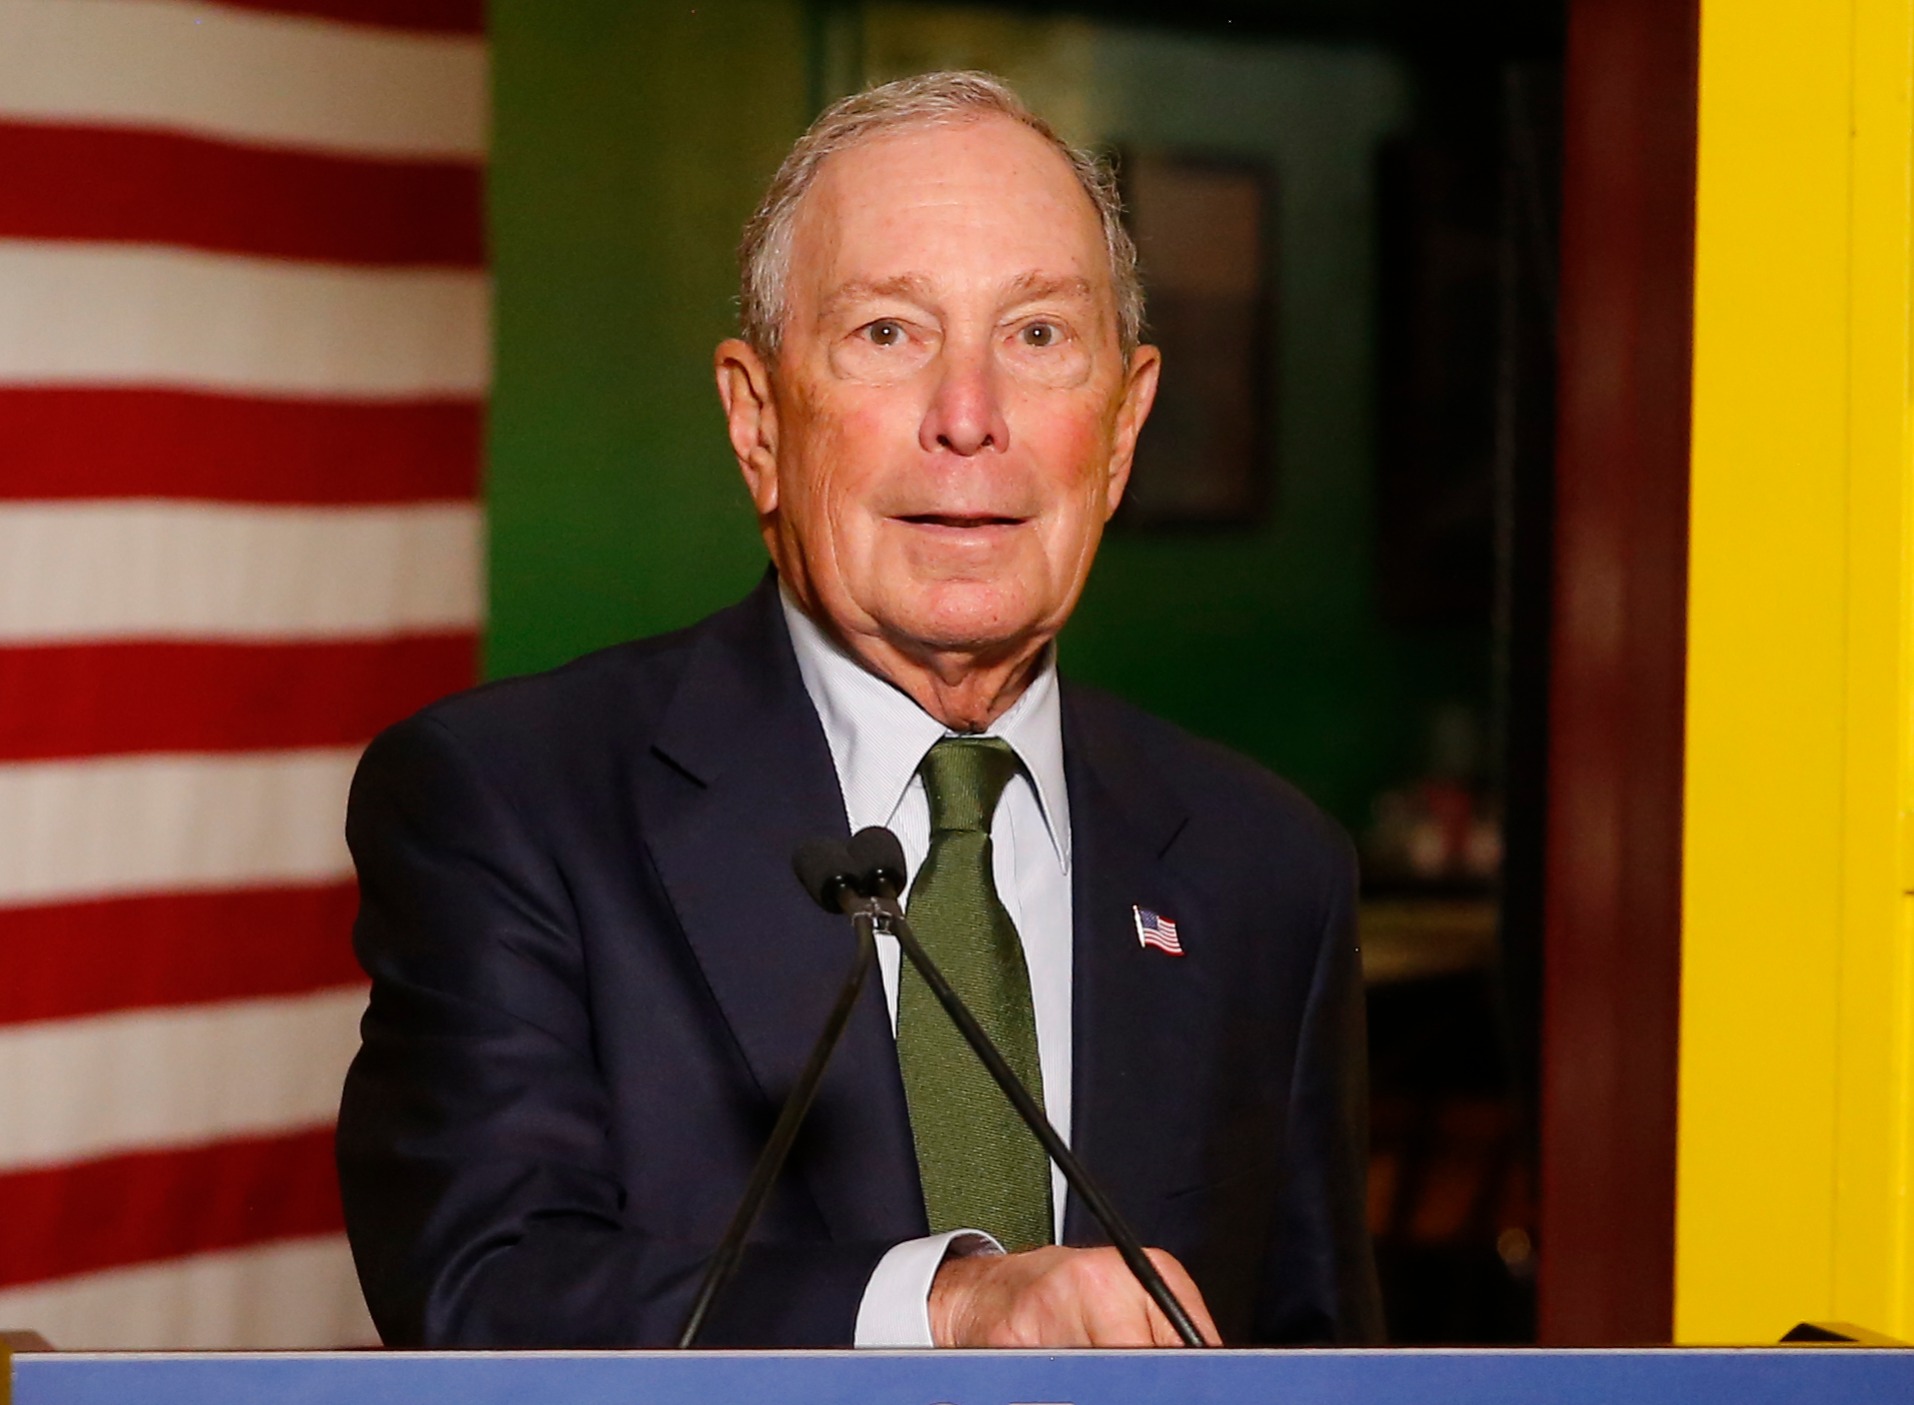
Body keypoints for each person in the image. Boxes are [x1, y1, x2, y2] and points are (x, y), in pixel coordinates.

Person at [336, 70, 1381, 1350]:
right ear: (757, 420)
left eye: (1037, 336)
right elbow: (484, 1295)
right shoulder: (510, 801)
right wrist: (940, 1310)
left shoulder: (1265, 868)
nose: (968, 419)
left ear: (1120, 429)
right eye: (887, 332)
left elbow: (1316, 1360)